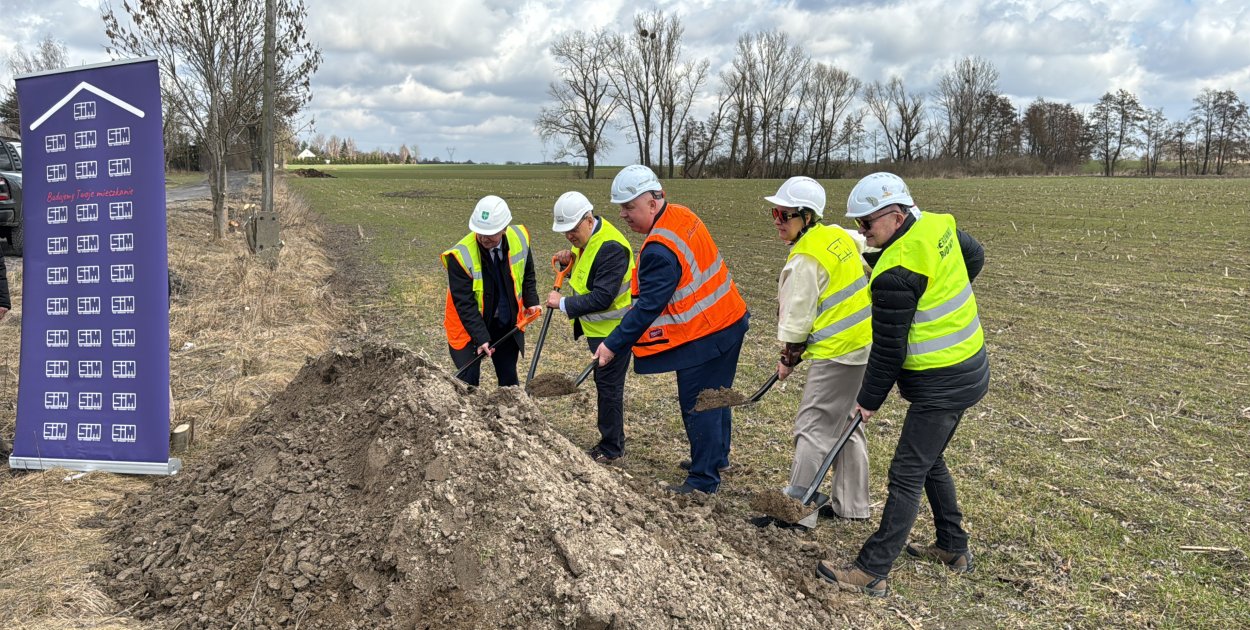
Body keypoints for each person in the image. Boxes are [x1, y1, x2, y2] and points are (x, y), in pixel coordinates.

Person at [816, 172, 988, 597]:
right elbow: (975, 256)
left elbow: (888, 351)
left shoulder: (895, 274)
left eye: (866, 224)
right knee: (929, 460)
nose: (862, 232)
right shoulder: (936, 224)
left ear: (895, 215)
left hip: (942, 380)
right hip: (970, 365)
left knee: (906, 474)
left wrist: (867, 401)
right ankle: (953, 547)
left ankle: (872, 571)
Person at [594, 165, 750, 494]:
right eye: (620, 208)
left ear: (653, 202)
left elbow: (648, 307)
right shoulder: (680, 215)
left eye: (629, 207)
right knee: (718, 396)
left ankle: (702, 482)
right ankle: (717, 457)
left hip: (705, 335)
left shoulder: (658, 250)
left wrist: (612, 345)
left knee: (700, 403)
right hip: (730, 318)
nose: (623, 215)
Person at [754, 176, 872, 527]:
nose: (777, 220)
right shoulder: (836, 235)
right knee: (846, 423)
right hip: (862, 346)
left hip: (837, 354)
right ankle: (852, 506)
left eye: (785, 214)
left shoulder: (805, 260)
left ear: (807, 217)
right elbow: (865, 246)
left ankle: (796, 512)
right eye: (775, 212)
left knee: (812, 427)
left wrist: (787, 359)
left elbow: (796, 322)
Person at [547, 191, 635, 464]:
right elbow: (587, 275)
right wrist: (570, 262)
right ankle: (612, 441)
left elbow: (602, 296)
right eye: (564, 233)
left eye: (572, 230)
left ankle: (611, 448)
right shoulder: (587, 240)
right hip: (598, 330)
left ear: (588, 219)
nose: (569, 236)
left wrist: (563, 303)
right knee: (604, 383)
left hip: (615, 331)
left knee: (608, 387)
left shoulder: (610, 247)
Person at [442, 195, 541, 387]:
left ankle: (511, 415)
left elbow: (528, 273)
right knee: (467, 385)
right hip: (467, 327)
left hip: (505, 322)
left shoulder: (519, 237)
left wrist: (532, 300)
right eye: (480, 232)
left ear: (504, 228)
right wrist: (481, 338)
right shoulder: (459, 256)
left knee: (509, 380)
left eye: (491, 233)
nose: (484, 238)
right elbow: (465, 304)